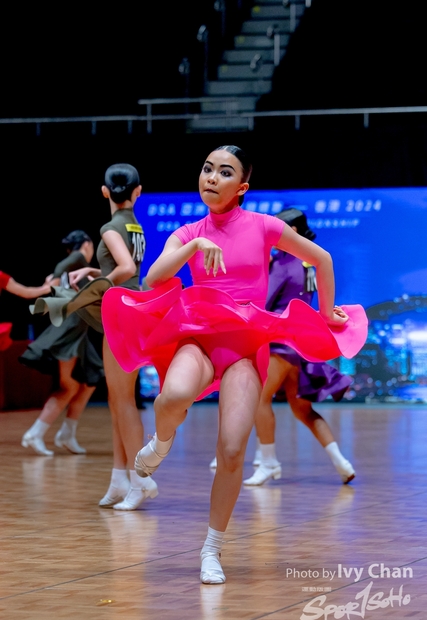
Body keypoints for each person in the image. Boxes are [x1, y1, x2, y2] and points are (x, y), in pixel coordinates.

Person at [101, 145, 367, 584]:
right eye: (207, 169)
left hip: (245, 349)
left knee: (230, 450)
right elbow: (152, 277)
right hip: (200, 340)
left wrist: (327, 312)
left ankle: (211, 549)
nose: (212, 177)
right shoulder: (189, 232)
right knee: (174, 395)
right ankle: (161, 444)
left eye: (224, 172)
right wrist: (195, 246)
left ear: (242, 187)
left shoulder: (264, 226)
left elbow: (322, 259)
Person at [62, 163, 158, 510]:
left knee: (123, 401)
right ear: (138, 191)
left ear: (104, 192)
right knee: (119, 400)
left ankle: (141, 479)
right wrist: (96, 269)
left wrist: (97, 284)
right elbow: (129, 267)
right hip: (133, 311)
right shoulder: (134, 225)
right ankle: (120, 479)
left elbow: (126, 269)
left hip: (120, 314)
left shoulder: (110, 227)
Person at [241, 208, 356, 486]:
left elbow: (264, 302)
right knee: (302, 409)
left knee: (259, 400)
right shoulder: (309, 263)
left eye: (277, 230)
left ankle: (268, 462)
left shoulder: (283, 262)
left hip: (281, 343)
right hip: (301, 344)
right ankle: (341, 463)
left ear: (291, 231)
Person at [20, 230, 104, 456]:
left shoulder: (81, 268)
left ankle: (67, 433)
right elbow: (61, 269)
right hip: (69, 330)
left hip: (79, 331)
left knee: (90, 380)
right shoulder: (78, 259)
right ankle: (34, 434)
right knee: (70, 386)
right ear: (86, 244)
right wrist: (53, 281)